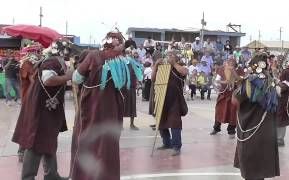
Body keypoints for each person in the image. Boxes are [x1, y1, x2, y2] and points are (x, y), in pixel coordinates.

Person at [71, 32, 142, 180]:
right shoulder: (126, 61)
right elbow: (132, 85)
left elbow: (76, 78)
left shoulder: (93, 56)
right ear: (121, 45)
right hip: (113, 109)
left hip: (91, 107)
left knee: (88, 141)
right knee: (108, 145)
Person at [12, 40, 72, 180]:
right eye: (68, 50)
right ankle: (28, 177)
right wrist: (67, 77)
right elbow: (48, 80)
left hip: (47, 107)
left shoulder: (53, 60)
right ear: (63, 51)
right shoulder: (52, 61)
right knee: (36, 142)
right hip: (41, 108)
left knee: (49, 139)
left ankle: (51, 174)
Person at [233, 53, 280, 180]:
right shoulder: (272, 82)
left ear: (253, 66)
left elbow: (235, 102)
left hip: (251, 129)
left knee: (252, 169)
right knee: (260, 169)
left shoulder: (249, 82)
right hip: (267, 131)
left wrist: (237, 86)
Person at [152, 50, 188, 156]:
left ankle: (176, 146)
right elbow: (153, 79)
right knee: (161, 122)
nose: (169, 57)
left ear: (177, 58)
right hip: (162, 98)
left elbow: (184, 72)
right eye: (168, 55)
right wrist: (155, 66)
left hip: (175, 101)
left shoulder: (179, 67)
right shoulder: (162, 67)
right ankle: (167, 143)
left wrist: (174, 64)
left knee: (174, 123)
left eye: (172, 56)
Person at [210, 59, 239, 137]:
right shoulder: (221, 70)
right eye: (230, 62)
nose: (231, 63)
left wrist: (233, 72)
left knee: (233, 112)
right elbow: (216, 81)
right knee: (219, 111)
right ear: (227, 63)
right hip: (223, 94)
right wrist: (223, 83)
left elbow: (239, 80)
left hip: (233, 95)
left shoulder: (237, 70)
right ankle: (216, 128)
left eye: (233, 62)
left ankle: (231, 131)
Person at [275, 68, 289, 146]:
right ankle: (278, 138)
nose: (281, 74)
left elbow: (281, 89)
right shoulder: (285, 82)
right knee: (279, 120)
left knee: (281, 121)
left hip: (283, 104)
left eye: (282, 74)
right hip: (281, 103)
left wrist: (277, 81)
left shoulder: (286, 83)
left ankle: (280, 139)